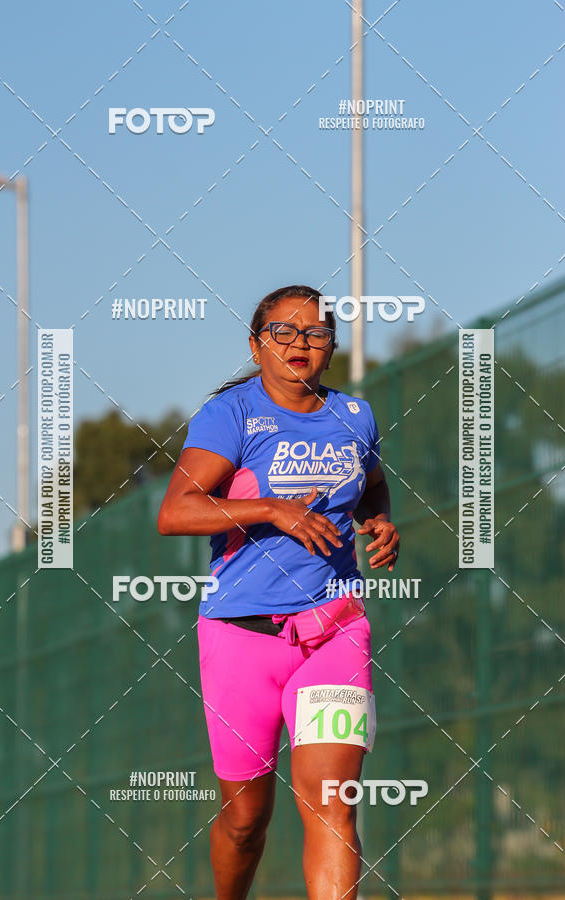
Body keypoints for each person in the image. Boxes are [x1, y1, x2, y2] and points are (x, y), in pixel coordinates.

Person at [158, 285, 400, 900]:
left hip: (334, 631)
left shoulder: (355, 417)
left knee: (332, 806)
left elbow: (372, 485)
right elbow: (175, 512)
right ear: (256, 345)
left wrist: (378, 519)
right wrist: (271, 509)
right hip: (242, 636)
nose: (300, 343)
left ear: (331, 346)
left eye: (315, 333)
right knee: (246, 821)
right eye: (283, 332)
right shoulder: (232, 415)